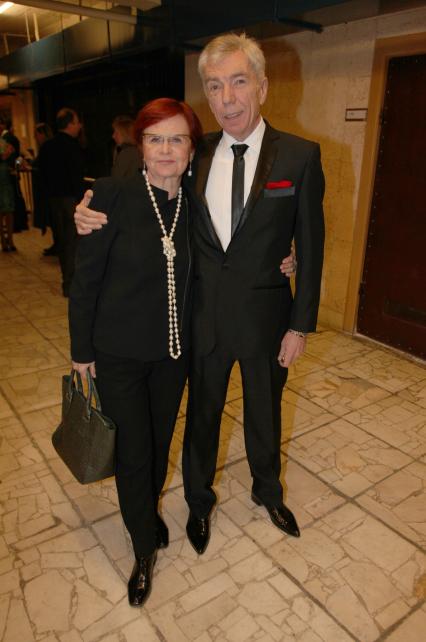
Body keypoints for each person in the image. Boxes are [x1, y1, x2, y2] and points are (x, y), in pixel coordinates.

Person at [74, 33, 323, 555]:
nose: (227, 98)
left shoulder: (300, 157)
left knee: (265, 412)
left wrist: (300, 323)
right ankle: (199, 502)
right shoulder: (194, 150)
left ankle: (268, 491)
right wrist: (89, 209)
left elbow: (311, 244)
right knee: (202, 418)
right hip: (200, 319)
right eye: (214, 86)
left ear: (262, 87)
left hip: (266, 318)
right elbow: (146, 194)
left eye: (238, 82)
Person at [69, 98, 202, 607]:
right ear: (140, 146)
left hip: (173, 354)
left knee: (159, 442)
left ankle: (144, 513)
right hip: (118, 353)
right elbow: (86, 279)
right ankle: (143, 545)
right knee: (133, 451)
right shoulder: (111, 195)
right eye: (155, 139)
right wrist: (81, 350)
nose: (166, 150)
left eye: (176, 139)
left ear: (192, 149)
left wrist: (287, 256)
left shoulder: (197, 205)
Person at [38, 108, 85, 296]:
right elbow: (77, 177)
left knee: (63, 242)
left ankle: (67, 282)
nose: (79, 125)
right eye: (77, 122)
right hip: (71, 200)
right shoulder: (72, 146)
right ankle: (72, 284)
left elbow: (42, 176)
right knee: (73, 242)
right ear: (70, 124)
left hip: (54, 201)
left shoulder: (47, 146)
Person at [30, 123, 56, 254]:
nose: (35, 138)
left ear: (42, 134)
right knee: (53, 220)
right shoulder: (47, 148)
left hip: (49, 190)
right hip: (49, 189)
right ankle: (57, 244)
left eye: (36, 135)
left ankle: (58, 245)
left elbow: (43, 168)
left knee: (54, 219)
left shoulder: (47, 148)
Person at [0, 133, 16, 252]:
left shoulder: (4, 142)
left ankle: (10, 239)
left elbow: (12, 159)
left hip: (6, 183)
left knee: (9, 212)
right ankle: (3, 241)